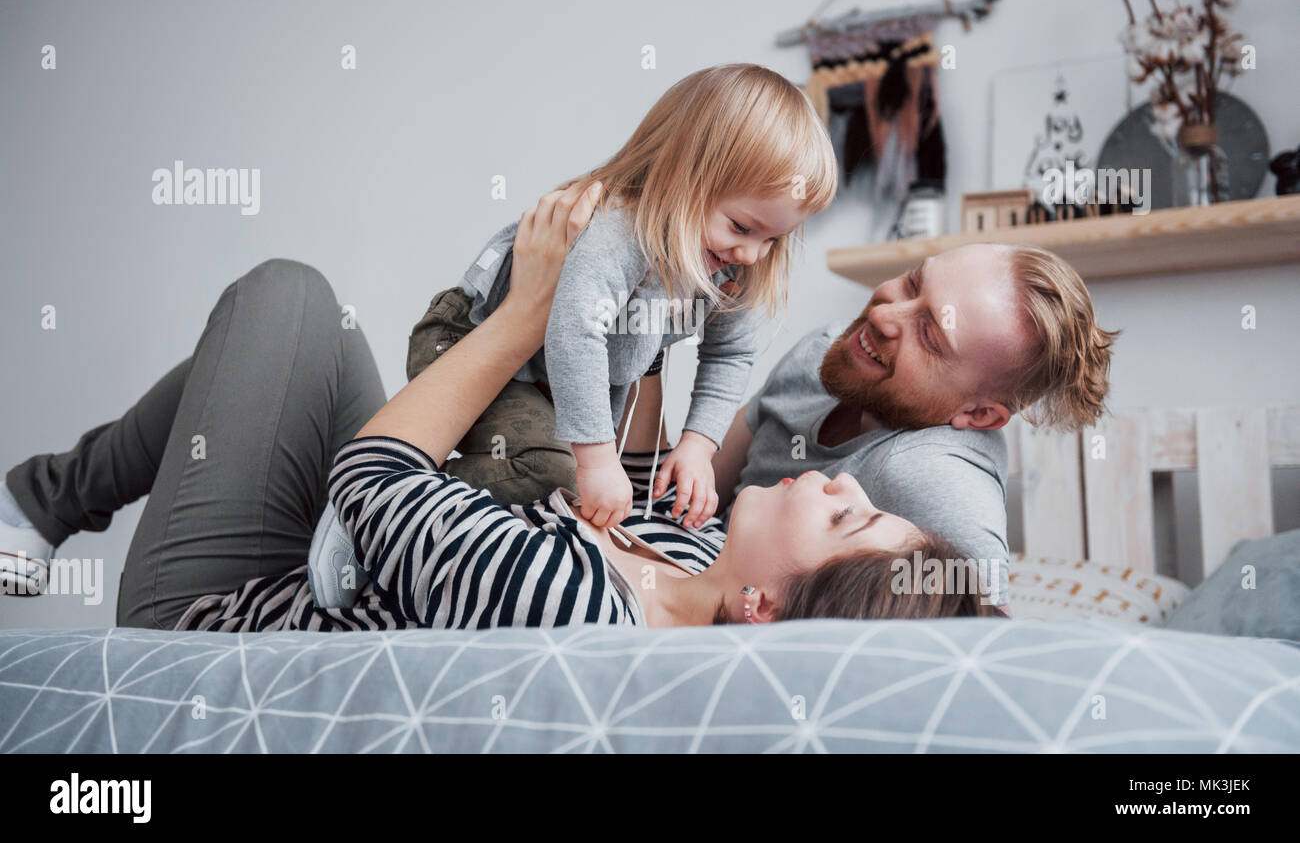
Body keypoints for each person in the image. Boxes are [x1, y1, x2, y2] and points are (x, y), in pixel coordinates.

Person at [0, 186, 1002, 628]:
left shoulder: (565, 606)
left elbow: (370, 477)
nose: (832, 481)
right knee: (301, 337)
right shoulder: (697, 563)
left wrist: (531, 309)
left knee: (287, 295)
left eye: (843, 513)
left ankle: (43, 499)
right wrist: (635, 296)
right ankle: (49, 498)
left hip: (231, 608)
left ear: (764, 607)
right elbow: (610, 467)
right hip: (351, 554)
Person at [404, 63, 839, 530]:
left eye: (774, 239)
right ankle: (391, 502)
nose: (752, 254)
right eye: (740, 227)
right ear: (679, 178)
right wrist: (596, 461)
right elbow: (576, 332)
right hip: (469, 337)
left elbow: (731, 352)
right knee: (555, 474)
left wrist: (698, 446)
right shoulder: (619, 232)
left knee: (579, 500)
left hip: (556, 377)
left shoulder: (733, 262)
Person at [705, 241, 1121, 612]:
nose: (884, 314)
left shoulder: (932, 476)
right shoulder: (828, 348)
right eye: (913, 282)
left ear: (977, 416)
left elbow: (983, 646)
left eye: (929, 336)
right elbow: (693, 491)